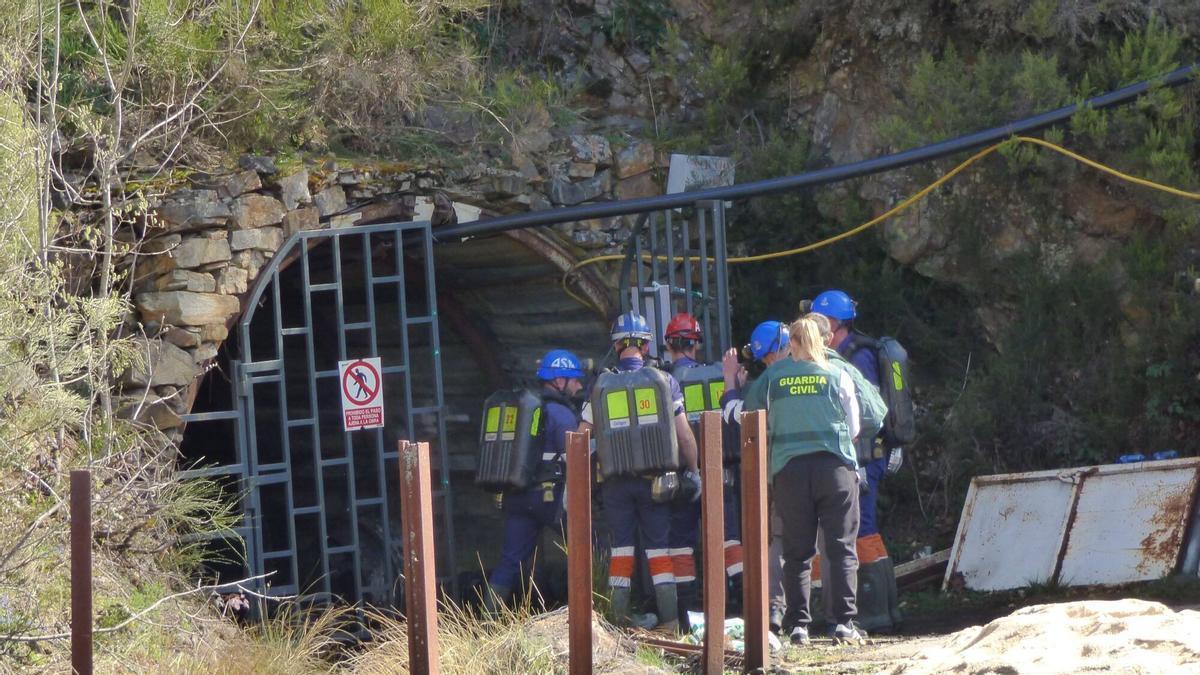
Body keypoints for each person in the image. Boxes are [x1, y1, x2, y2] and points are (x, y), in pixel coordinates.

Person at [742, 317, 864, 645]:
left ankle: (798, 626)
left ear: (792, 344)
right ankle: (844, 624)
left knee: (797, 552)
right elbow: (854, 428)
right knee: (840, 548)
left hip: (790, 472)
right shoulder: (839, 374)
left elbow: (750, 417)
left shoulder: (773, 377)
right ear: (823, 341)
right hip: (835, 471)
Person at [578, 311, 700, 632]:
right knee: (659, 549)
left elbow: (580, 436)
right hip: (656, 483)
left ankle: (618, 620)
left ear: (617, 346)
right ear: (645, 346)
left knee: (621, 549)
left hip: (615, 484)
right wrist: (694, 470)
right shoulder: (665, 382)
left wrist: (581, 482)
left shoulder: (600, 385)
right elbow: (684, 435)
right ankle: (671, 620)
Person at [812, 289, 902, 632]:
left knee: (861, 531)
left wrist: (861, 463)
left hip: (863, 459)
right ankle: (882, 610)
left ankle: (874, 611)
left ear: (833, 323)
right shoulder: (851, 353)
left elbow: (868, 411)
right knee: (861, 531)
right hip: (862, 458)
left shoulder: (855, 358)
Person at [484, 349, 585, 612]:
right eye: (574, 380)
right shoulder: (562, 414)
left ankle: (487, 622)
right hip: (549, 499)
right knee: (585, 546)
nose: (579, 386)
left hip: (518, 496)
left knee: (510, 560)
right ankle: (590, 611)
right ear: (559, 381)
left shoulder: (526, 409)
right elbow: (576, 457)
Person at [661, 312, 736, 627]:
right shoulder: (719, 375)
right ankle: (738, 606)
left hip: (681, 475)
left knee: (680, 540)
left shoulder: (662, 381)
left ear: (670, 344)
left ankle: (687, 613)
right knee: (728, 536)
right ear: (696, 343)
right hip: (722, 469)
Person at [719, 320, 789, 629]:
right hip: (819, 467)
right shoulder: (816, 371)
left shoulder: (771, 378)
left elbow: (737, 415)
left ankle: (775, 609)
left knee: (779, 538)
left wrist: (730, 383)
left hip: (779, 469)